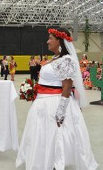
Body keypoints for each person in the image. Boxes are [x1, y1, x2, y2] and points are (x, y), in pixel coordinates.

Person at [16, 28, 98, 170]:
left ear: (59, 41)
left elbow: (66, 87)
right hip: (43, 102)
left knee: (55, 134)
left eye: (50, 38)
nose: (47, 41)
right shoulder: (55, 59)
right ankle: (44, 161)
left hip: (54, 103)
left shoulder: (66, 60)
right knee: (43, 135)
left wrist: (61, 111)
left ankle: (55, 162)